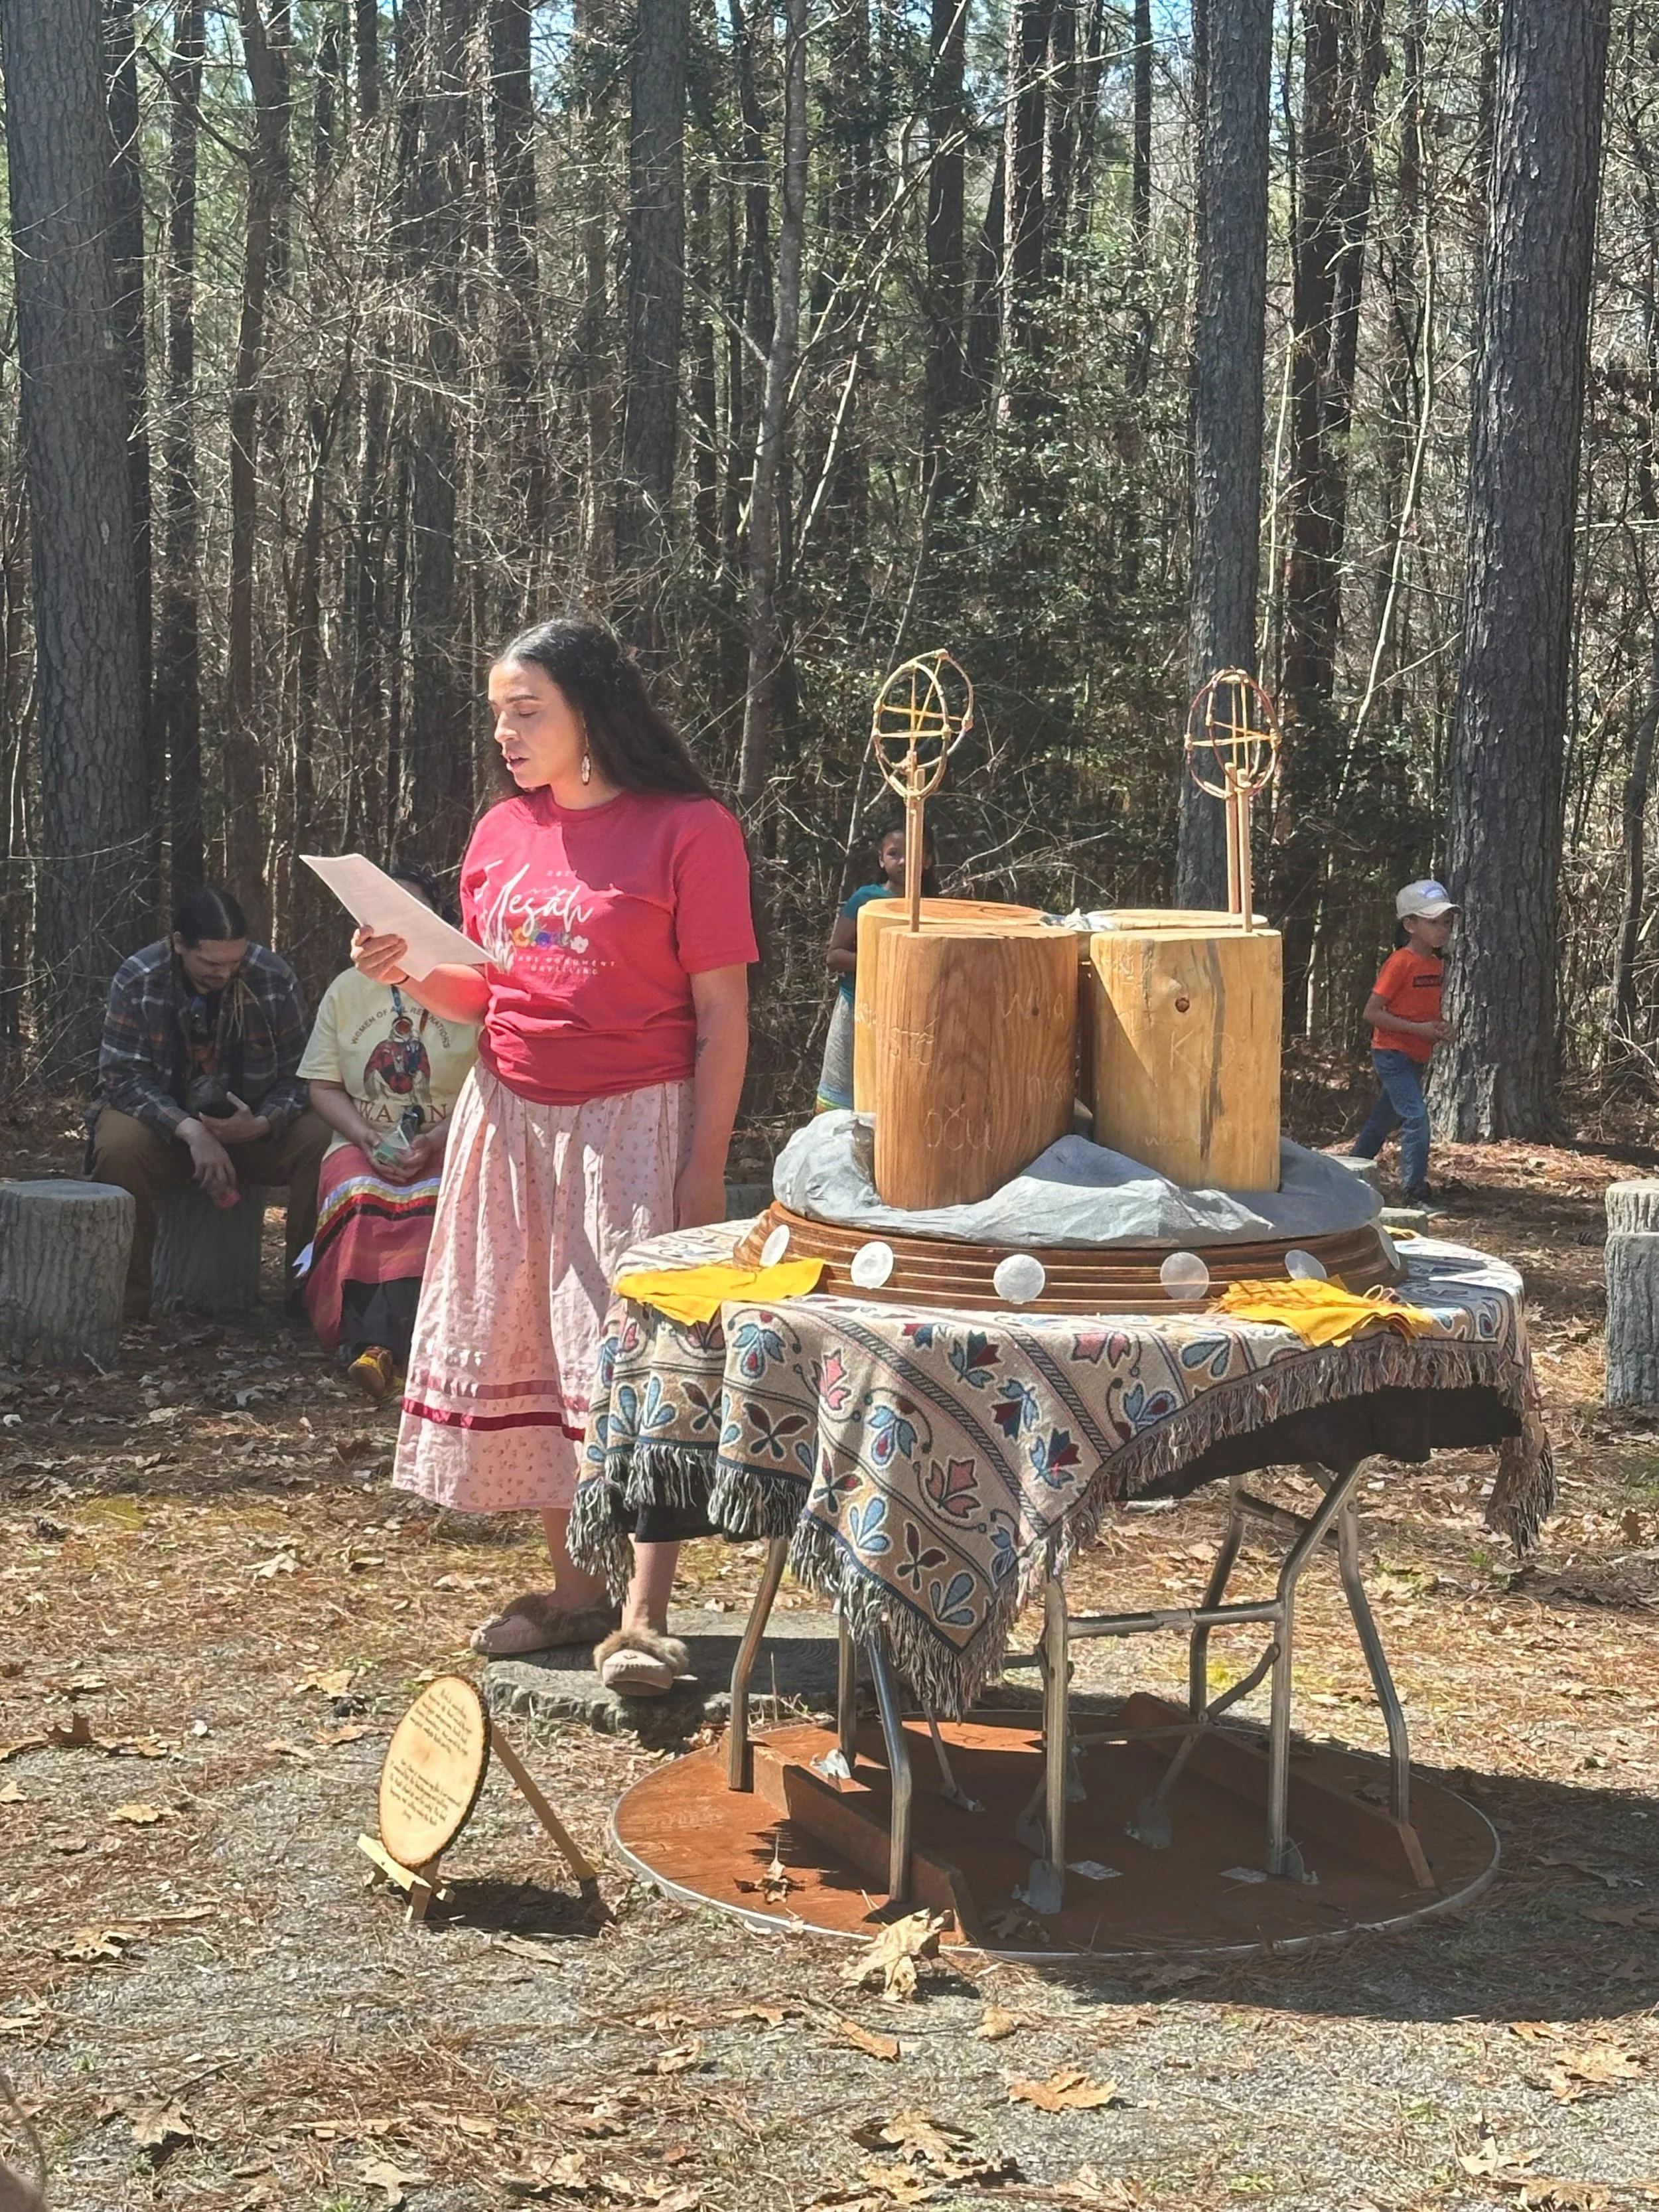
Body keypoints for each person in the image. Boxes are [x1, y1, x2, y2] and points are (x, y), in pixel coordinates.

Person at [350, 617, 757, 1697]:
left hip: (634, 1125)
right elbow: (484, 992)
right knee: (531, 1338)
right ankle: (576, 1595)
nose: (506, 733)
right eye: (497, 714)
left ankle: (646, 1618)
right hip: (509, 1115)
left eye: (526, 710)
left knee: (636, 1357)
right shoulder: (500, 833)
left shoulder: (690, 828)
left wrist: (703, 1167)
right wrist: (408, 965)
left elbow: (724, 1013)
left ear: (592, 709)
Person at [88, 886, 331, 1318]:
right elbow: (121, 1078)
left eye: (235, 962)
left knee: (322, 1138)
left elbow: (303, 1075)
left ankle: (308, 1297)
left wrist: (260, 1123)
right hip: (168, 1135)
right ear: (178, 943)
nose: (224, 974)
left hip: (251, 1132)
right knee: (118, 1146)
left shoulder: (273, 977)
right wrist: (189, 1129)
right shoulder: (139, 977)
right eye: (211, 963)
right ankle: (127, 1306)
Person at [298, 864, 481, 1403]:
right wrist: (364, 1138)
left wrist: (437, 1138)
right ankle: (382, 1344)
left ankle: (384, 1345)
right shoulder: (346, 989)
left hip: (451, 1136)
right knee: (363, 1199)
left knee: (432, 1204)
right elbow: (323, 1086)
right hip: (363, 1142)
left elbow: (492, 1080)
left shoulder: (468, 988)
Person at [1350, 878, 1459, 1205]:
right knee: (1415, 1117)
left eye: (1447, 923)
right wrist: (1419, 1030)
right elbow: (1372, 1012)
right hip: (1391, 1054)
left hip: (1415, 1055)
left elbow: (1422, 1012)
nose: (1443, 930)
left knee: (1384, 1118)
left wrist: (1440, 1029)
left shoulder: (1436, 964)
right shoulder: (1400, 963)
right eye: (1434, 922)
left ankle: (1350, 1174)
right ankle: (1413, 1192)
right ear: (1410, 925)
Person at [816, 823, 938, 1111]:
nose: (904, 862)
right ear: (881, 860)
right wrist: (886, 961)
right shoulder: (866, 900)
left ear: (929, 860)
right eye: (894, 854)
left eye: (914, 853)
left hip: (911, 1018)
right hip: (858, 1008)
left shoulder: (936, 908)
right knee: (841, 1105)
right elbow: (834, 956)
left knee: (895, 1107)